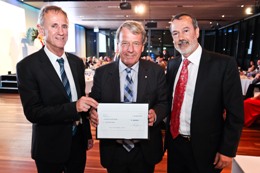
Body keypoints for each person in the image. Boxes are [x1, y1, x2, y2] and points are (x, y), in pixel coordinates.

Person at [16, 5, 98, 173]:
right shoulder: (27, 66)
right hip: (49, 147)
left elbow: (80, 99)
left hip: (78, 144)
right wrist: (73, 107)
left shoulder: (77, 63)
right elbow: (33, 112)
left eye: (64, 26)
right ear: (41, 30)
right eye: (54, 26)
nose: (61, 32)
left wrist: (87, 134)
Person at [165, 13, 244, 173]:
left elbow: (235, 113)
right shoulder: (173, 65)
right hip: (175, 145)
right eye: (175, 33)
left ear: (197, 31)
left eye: (186, 30)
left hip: (207, 149)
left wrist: (227, 149)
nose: (181, 37)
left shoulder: (224, 65)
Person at [89, 20, 168, 173]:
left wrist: (156, 114)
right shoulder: (102, 73)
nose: (130, 49)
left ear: (142, 47)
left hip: (145, 149)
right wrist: (92, 112)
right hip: (114, 150)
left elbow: (164, 102)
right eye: (125, 43)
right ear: (117, 45)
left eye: (136, 44)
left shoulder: (156, 72)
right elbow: (95, 101)